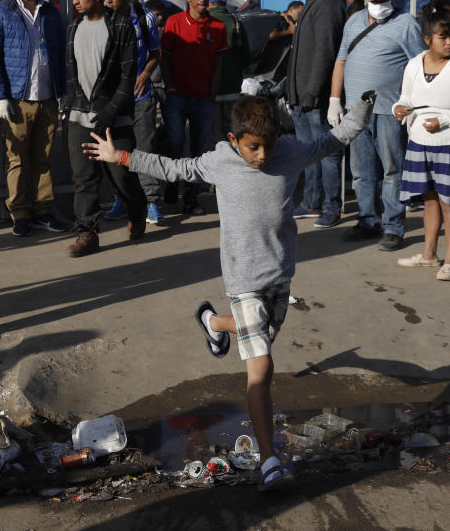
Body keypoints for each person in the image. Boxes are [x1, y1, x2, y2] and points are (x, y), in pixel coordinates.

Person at [82, 91, 374, 492]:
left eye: (268, 146)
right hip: (242, 280)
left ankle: (213, 322)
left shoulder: (287, 151)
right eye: (253, 147)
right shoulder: (219, 160)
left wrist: (363, 108)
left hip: (279, 276)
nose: (262, 156)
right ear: (235, 140)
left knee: (259, 338)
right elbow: (175, 168)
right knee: (262, 368)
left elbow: (331, 140)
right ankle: (269, 458)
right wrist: (123, 158)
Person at [329, 0, 427, 251]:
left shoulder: (406, 23)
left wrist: (410, 103)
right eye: (374, 0)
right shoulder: (353, 22)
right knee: (360, 170)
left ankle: (394, 226)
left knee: (392, 170)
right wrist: (334, 100)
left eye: (384, 0)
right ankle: (367, 220)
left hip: (388, 111)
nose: (379, 4)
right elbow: (341, 61)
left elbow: (418, 65)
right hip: (356, 111)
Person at [393, 1, 450, 280]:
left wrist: (445, 121)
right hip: (419, 143)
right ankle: (429, 254)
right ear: (427, 39)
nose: (449, 42)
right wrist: (398, 108)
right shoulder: (413, 65)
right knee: (430, 200)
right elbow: (406, 98)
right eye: (442, 37)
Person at [64, 0, 147, 257]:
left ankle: (138, 211)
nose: (74, 0)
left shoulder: (122, 27)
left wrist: (110, 111)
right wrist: (71, 105)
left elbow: (128, 76)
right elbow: (71, 72)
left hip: (115, 120)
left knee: (122, 176)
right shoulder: (73, 28)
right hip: (79, 117)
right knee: (83, 178)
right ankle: (87, 233)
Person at [0, 0, 68, 238]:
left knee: (43, 158)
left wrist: (62, 93)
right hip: (17, 99)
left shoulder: (51, 13)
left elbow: (60, 56)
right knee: (16, 158)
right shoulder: (0, 13)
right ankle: (20, 213)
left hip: (46, 98)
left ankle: (43, 210)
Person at [286, 0, 348, 229]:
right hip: (303, 99)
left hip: (317, 99)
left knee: (328, 154)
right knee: (309, 154)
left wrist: (311, 93)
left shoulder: (329, 2)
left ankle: (332, 207)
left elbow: (326, 52)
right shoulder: (314, 2)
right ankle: (311, 203)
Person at [160, 0, 228, 214]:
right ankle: (171, 182)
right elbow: (164, 58)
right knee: (175, 142)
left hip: (203, 98)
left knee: (199, 150)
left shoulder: (218, 27)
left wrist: (212, 93)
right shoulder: (173, 23)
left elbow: (219, 63)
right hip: (177, 96)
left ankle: (191, 197)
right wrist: (169, 86)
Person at [101, 0, 166, 226]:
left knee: (145, 148)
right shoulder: (100, 19)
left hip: (141, 96)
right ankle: (123, 198)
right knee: (116, 151)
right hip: (113, 100)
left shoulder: (145, 17)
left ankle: (151, 201)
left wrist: (145, 74)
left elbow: (155, 53)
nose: (108, 0)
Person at [208, 0, 245, 142]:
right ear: (225, 2)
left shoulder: (205, 22)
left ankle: (217, 164)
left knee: (213, 132)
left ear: (208, 2)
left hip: (210, 89)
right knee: (231, 130)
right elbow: (246, 56)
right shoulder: (235, 21)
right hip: (233, 86)